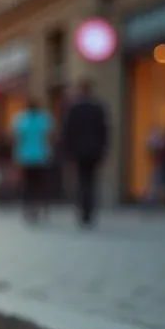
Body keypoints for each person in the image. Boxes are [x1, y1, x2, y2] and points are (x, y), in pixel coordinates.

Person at [60, 81, 110, 227]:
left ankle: (84, 209)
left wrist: (67, 151)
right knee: (91, 180)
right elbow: (104, 130)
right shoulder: (98, 108)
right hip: (94, 150)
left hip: (79, 150)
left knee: (82, 180)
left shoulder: (74, 109)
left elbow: (68, 132)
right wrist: (104, 148)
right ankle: (89, 209)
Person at [12, 97, 55, 223]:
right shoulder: (44, 119)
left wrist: (16, 156)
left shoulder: (21, 119)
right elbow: (49, 137)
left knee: (27, 183)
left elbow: (18, 139)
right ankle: (41, 206)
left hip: (26, 156)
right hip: (41, 156)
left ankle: (28, 207)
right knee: (40, 183)